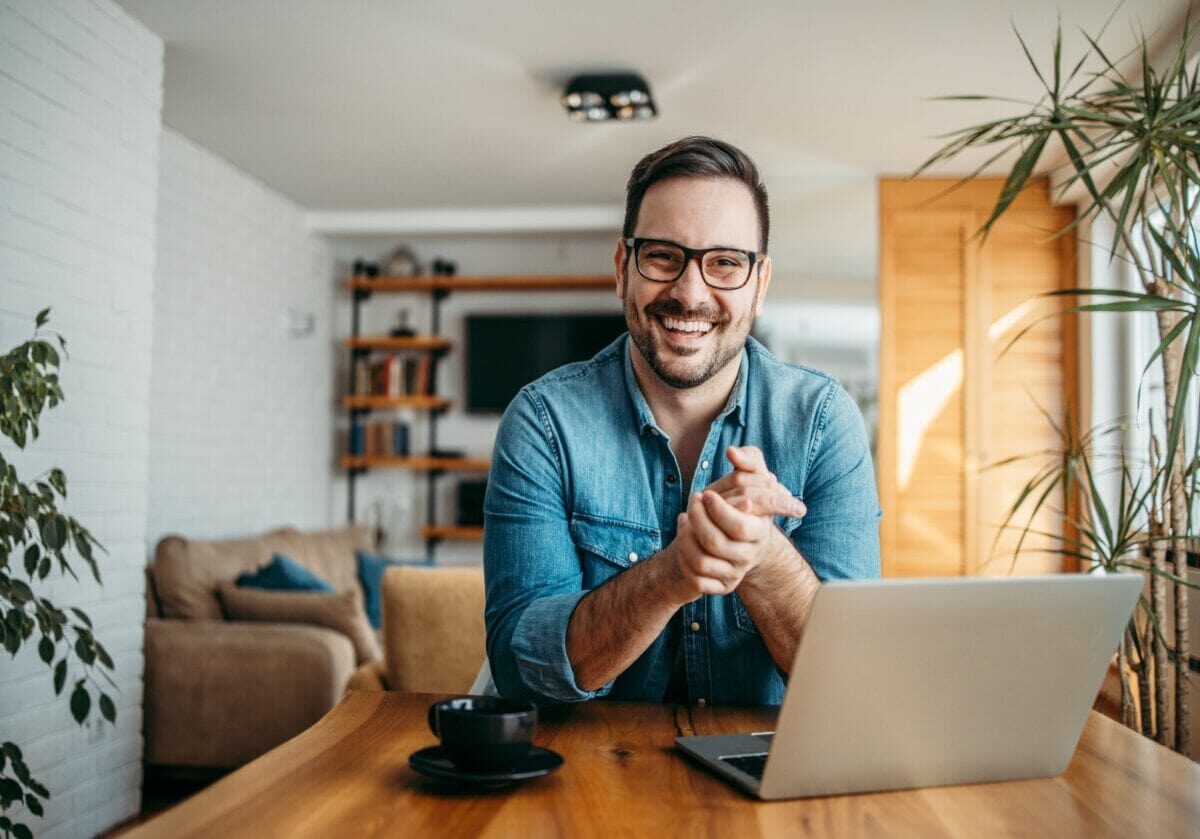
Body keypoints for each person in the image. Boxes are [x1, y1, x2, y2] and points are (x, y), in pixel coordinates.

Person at [483, 136, 880, 706]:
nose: (690, 293)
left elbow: (854, 681)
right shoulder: (543, 422)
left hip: (765, 780)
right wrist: (672, 573)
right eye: (664, 256)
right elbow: (524, 673)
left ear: (760, 285)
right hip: (588, 783)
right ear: (624, 268)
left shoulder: (822, 422)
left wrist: (764, 556)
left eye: (724, 262)